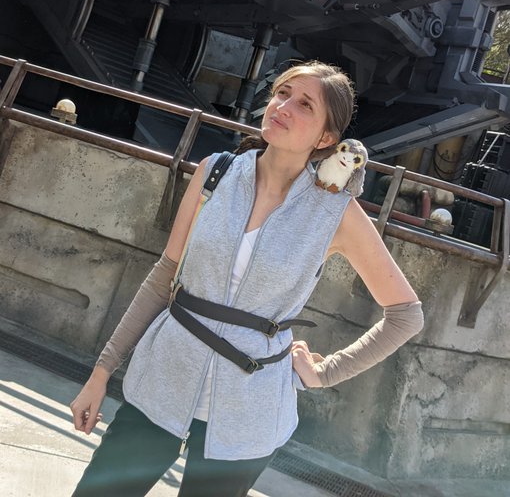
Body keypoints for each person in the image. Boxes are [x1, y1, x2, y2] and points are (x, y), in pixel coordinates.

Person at [70, 61, 423, 497]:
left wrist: (325, 372)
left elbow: (406, 315)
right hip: (162, 380)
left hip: (250, 413)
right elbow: (165, 276)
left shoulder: (336, 213)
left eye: (305, 105)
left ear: (326, 139)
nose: (284, 107)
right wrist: (101, 372)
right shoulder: (215, 172)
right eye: (282, 93)